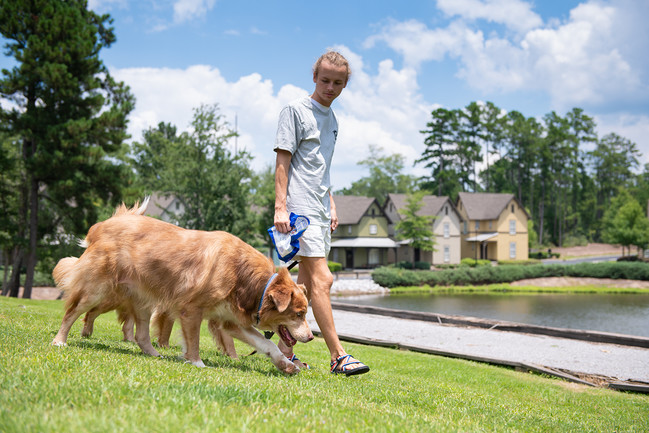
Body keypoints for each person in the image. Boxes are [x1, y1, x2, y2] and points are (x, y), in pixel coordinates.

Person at [273, 51, 370, 376]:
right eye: (325, 80)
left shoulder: (334, 121)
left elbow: (322, 168)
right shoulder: (295, 111)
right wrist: (281, 206)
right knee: (323, 280)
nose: (330, 87)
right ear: (314, 76)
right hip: (299, 211)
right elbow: (283, 161)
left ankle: (284, 351)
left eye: (338, 83)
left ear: (344, 85)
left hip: (319, 208)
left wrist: (330, 202)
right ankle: (338, 356)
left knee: (300, 288)